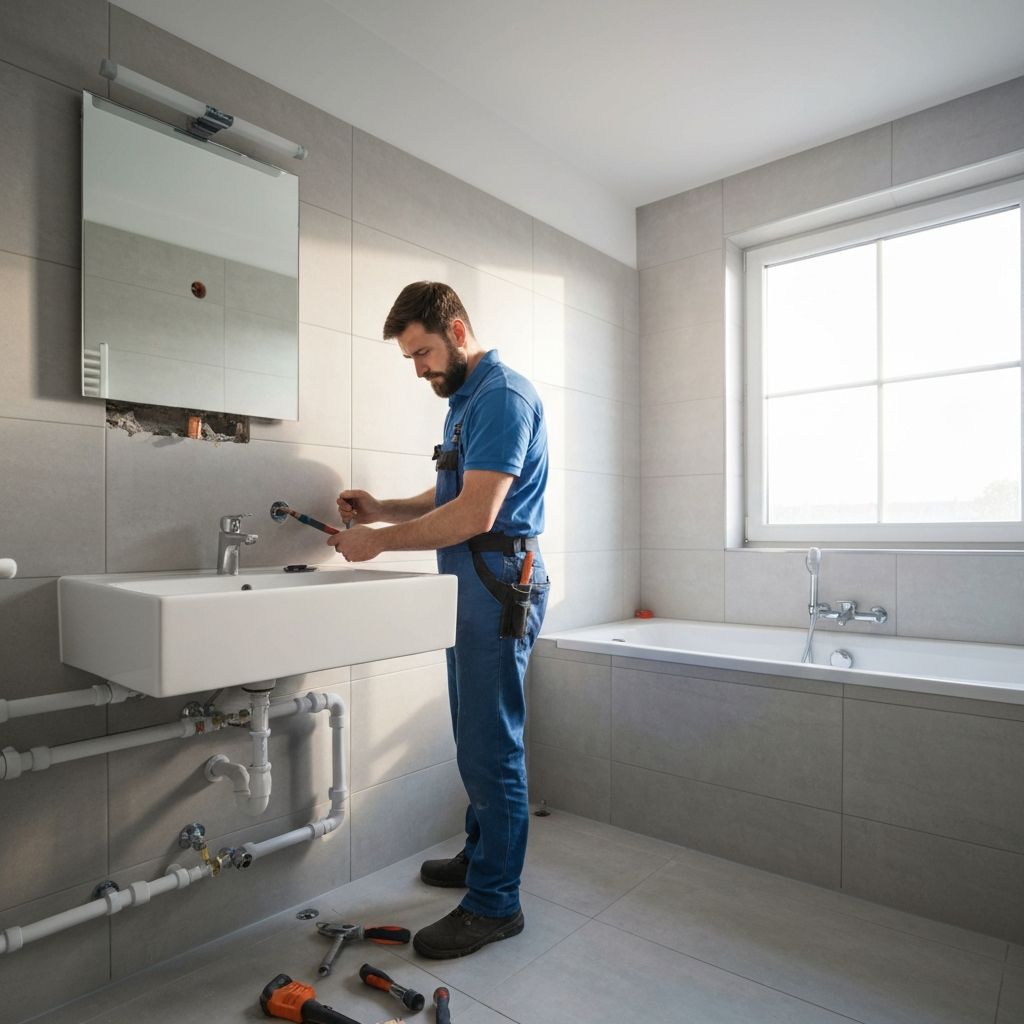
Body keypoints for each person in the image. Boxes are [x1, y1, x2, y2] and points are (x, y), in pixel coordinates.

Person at [328, 281, 549, 959]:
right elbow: (455, 491)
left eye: (421, 352)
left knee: (491, 745)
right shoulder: (468, 402)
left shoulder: (502, 397)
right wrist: (384, 510)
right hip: (472, 582)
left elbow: (477, 513)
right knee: (472, 733)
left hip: (497, 582)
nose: (418, 369)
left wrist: (377, 544)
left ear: (456, 331)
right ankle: (482, 855)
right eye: (410, 358)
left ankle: (495, 903)